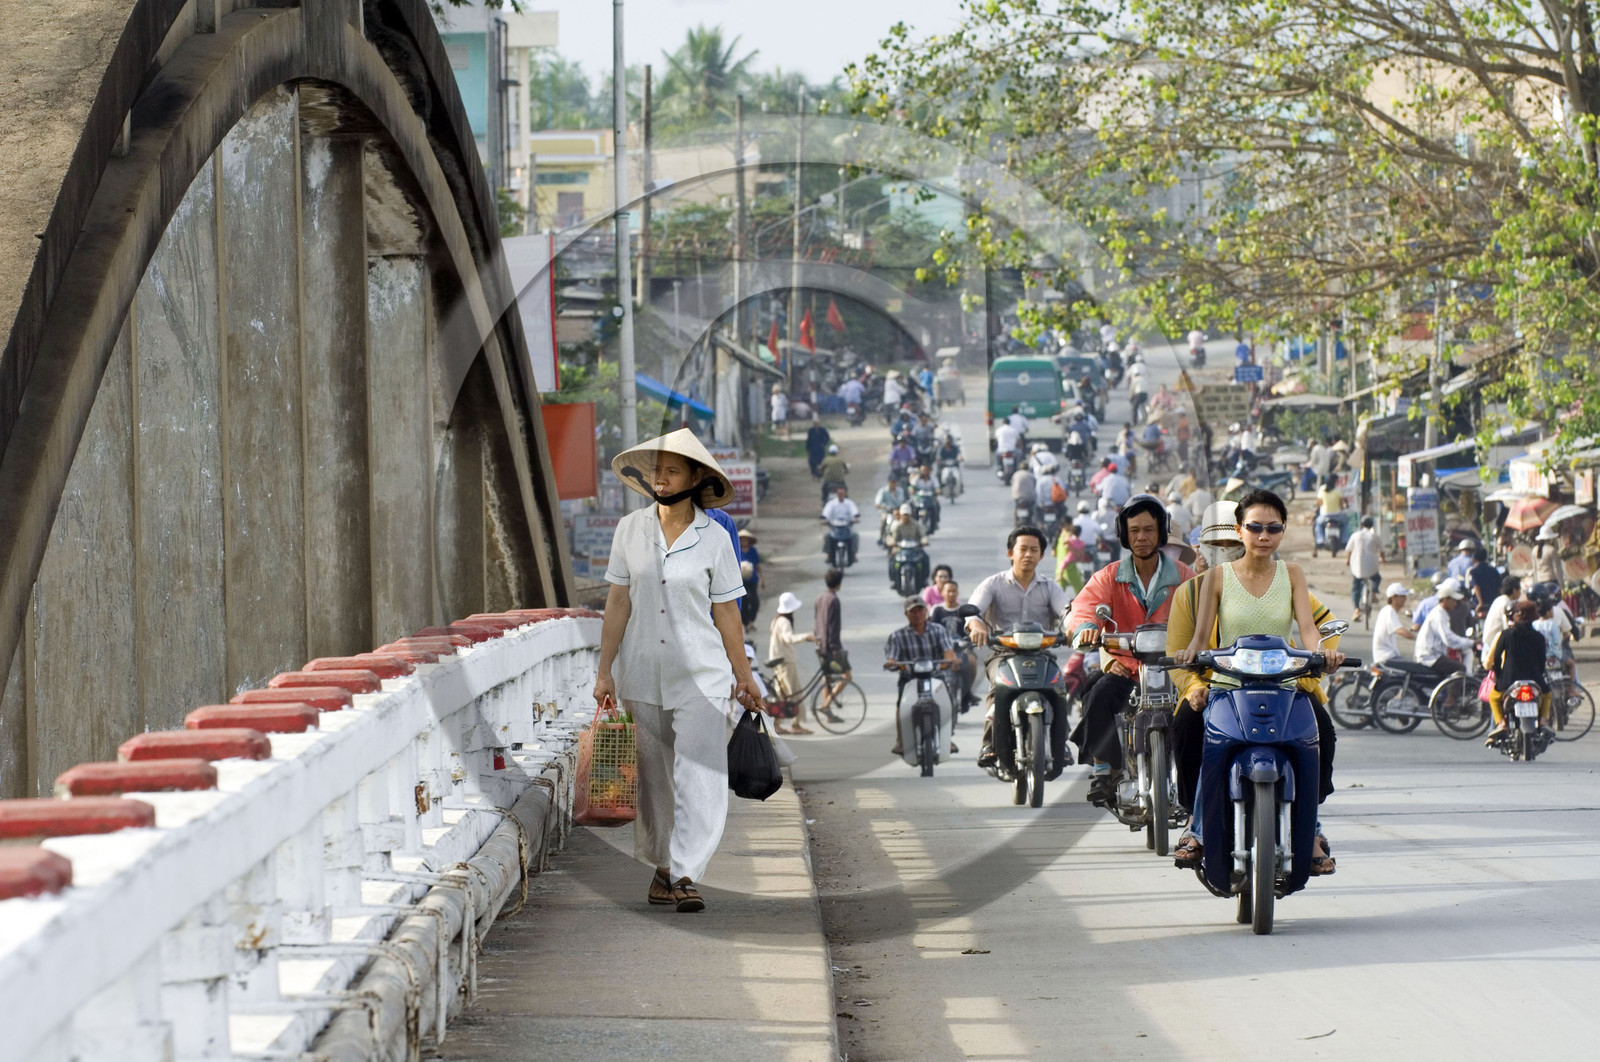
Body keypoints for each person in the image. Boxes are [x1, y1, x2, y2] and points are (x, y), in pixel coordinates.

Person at [594, 429, 763, 913]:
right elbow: (618, 603)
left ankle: (687, 872)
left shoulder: (716, 538)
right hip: (641, 670)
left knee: (700, 775)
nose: (662, 480)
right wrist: (604, 671)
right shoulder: (630, 530)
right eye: (657, 472)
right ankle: (663, 868)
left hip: (702, 676)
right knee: (655, 780)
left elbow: (726, 612)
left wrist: (743, 675)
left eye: (672, 471)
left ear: (695, 479)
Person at [1168, 491, 1342, 873]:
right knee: (1204, 742)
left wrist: (1324, 653)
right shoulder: (1210, 581)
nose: (1264, 536)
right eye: (1255, 527)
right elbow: (1196, 640)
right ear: (1240, 530)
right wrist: (1189, 662)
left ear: (1283, 531)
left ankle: (1310, 830)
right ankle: (1197, 827)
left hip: (1285, 684)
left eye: (1273, 528)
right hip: (1227, 686)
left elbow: (1310, 629)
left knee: (1320, 736)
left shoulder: (1293, 574)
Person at [1069, 495, 1196, 804]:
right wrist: (1086, 628)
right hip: (1127, 667)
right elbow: (1084, 608)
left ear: (1161, 532)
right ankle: (1104, 769)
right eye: (1134, 530)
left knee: (1201, 711)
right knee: (1097, 695)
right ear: (1124, 535)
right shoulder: (1108, 576)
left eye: (1149, 530)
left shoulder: (1185, 576)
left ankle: (1200, 777)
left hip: (1177, 670)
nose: (1141, 537)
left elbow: (1206, 611)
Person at [968, 526, 1076, 774]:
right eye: (1023, 549)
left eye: (1034, 550)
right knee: (997, 689)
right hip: (1002, 654)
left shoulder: (1050, 587)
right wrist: (976, 625)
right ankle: (989, 742)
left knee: (1059, 689)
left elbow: (1066, 612)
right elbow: (973, 611)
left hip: (1042, 654)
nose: (1028, 554)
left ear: (1042, 555)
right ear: (1010, 553)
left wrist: (1073, 628)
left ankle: (1061, 743)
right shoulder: (993, 584)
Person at [884, 597, 960, 755]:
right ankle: (901, 740)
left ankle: (947, 738)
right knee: (901, 706)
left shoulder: (938, 630)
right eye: (913, 611)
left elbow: (948, 651)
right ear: (906, 614)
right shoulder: (898, 636)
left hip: (935, 676)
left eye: (920, 610)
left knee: (947, 702)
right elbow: (892, 658)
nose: (917, 614)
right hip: (909, 678)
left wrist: (951, 660)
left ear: (926, 611)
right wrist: (891, 663)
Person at [1486, 599, 1553, 740]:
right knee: (1547, 695)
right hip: (1534, 678)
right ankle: (1543, 721)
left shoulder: (1506, 634)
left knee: (1494, 697)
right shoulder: (1539, 637)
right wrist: (1538, 675)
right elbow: (1542, 661)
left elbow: (1496, 658)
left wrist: (1499, 676)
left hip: (1509, 679)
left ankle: (1501, 723)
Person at [768, 592, 815, 734]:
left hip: (778, 661)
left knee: (783, 694)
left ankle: (777, 724)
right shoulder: (785, 621)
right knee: (794, 693)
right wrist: (806, 637)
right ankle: (796, 724)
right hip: (786, 661)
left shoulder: (776, 620)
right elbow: (788, 638)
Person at [931, 578, 980, 709]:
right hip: (942, 648)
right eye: (948, 591)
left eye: (954, 591)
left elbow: (971, 627)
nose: (951, 594)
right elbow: (931, 629)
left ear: (957, 593)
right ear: (942, 593)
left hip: (962, 647)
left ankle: (968, 692)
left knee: (972, 661)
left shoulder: (964, 610)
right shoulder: (937, 610)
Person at [1414, 580, 1475, 678]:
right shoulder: (1438, 615)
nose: (1455, 603)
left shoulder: (1442, 613)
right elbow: (1448, 638)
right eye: (1453, 600)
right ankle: (1455, 689)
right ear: (1446, 600)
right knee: (1461, 668)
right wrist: (1471, 643)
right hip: (1430, 656)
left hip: (1435, 654)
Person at [813, 568, 850, 722]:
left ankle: (828, 714)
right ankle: (826, 704)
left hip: (820, 644)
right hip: (831, 646)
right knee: (847, 676)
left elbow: (817, 622)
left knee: (827, 679)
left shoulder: (820, 598)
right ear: (839, 584)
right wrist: (836, 649)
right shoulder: (834, 600)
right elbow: (833, 627)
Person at [1345, 515, 1383, 622]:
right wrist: (1383, 559)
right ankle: (1374, 592)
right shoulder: (1375, 536)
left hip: (1357, 567)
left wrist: (1347, 560)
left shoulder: (1356, 535)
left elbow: (1349, 550)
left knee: (1356, 588)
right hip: (1372, 567)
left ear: (1361, 525)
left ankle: (1356, 610)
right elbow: (1382, 550)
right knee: (1377, 578)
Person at [1480, 575, 1523, 667]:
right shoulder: (1506, 603)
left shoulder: (1499, 600)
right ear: (1514, 590)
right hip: (1493, 647)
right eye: (1519, 589)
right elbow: (1508, 629)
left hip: (1490, 644)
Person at [1371, 583, 1417, 665]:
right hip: (1385, 657)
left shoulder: (1389, 611)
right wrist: (1418, 638)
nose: (1405, 598)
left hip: (1389, 656)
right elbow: (1400, 630)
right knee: (1417, 669)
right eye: (1402, 596)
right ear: (1394, 597)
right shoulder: (1389, 611)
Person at [887, 504, 929, 583]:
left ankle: (924, 579)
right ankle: (894, 579)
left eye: (907, 515)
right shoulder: (897, 526)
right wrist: (893, 543)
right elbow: (893, 537)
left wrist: (924, 541)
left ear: (910, 515)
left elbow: (923, 535)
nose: (905, 517)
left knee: (925, 558)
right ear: (901, 515)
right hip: (901, 549)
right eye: (904, 515)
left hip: (915, 548)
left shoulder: (917, 525)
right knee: (892, 559)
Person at [820, 485, 861, 565]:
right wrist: (824, 519)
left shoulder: (849, 503)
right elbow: (826, 512)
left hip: (847, 527)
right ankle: (828, 555)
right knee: (827, 536)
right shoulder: (831, 504)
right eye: (839, 493)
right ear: (836, 494)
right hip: (834, 528)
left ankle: (853, 555)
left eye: (842, 493)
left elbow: (854, 511)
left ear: (845, 493)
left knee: (855, 536)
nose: (841, 495)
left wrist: (856, 518)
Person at [873, 472, 910, 547]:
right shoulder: (883, 491)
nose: (893, 484)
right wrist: (883, 506)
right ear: (888, 482)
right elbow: (878, 502)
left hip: (898, 511)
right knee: (884, 519)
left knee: (906, 519)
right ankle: (881, 537)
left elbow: (901, 501)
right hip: (887, 511)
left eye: (894, 482)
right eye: (892, 482)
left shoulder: (900, 490)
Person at [737, 528, 763, 627]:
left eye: (745, 540)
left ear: (749, 541)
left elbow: (757, 565)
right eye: (742, 540)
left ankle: (752, 619)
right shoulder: (737, 551)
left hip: (752, 579)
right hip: (741, 581)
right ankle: (745, 622)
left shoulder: (753, 551)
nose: (744, 542)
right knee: (743, 601)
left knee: (754, 600)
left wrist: (761, 579)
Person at [1312, 479, 1343, 558]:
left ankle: (1320, 540)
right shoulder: (1337, 491)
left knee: (1318, 524)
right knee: (1346, 523)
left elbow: (1319, 503)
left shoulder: (1322, 490)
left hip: (1324, 515)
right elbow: (1341, 504)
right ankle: (1345, 539)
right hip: (1337, 515)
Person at [1467, 547, 1500, 618]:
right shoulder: (1494, 570)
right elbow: (1499, 587)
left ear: (1474, 558)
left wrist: (1480, 602)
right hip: (1493, 602)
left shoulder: (1473, 572)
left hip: (1480, 605)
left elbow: (1476, 586)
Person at [909, 462, 941, 532]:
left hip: (930, 498)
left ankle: (935, 523)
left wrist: (937, 490)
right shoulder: (917, 478)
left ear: (929, 470)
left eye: (926, 470)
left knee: (936, 506)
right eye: (923, 470)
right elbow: (911, 486)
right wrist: (912, 490)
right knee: (912, 507)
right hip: (919, 499)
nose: (924, 472)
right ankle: (912, 524)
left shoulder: (933, 478)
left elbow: (937, 487)